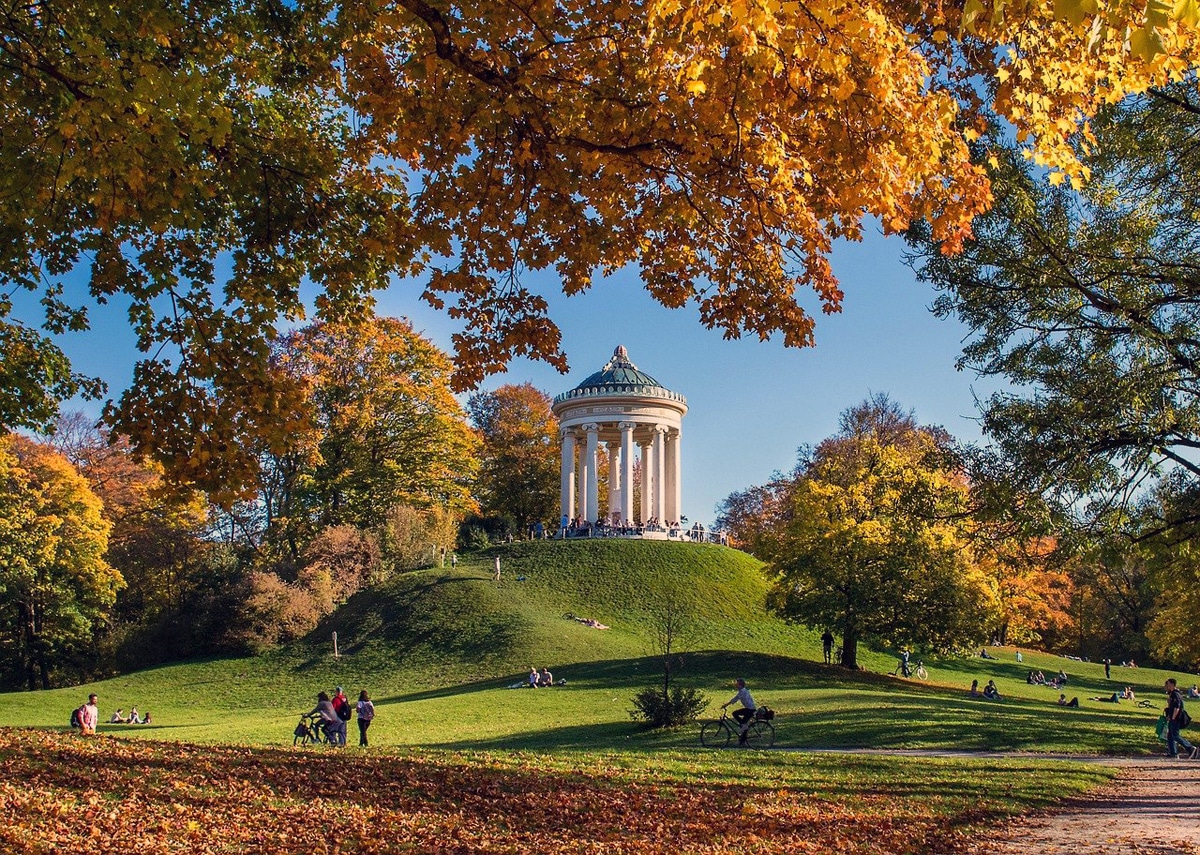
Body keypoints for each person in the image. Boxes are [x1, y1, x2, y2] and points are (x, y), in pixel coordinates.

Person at [1164, 678, 1198, 759]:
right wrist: (1169, 713)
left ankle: (1190, 748)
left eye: (1167, 684)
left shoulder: (1175, 694)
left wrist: (1173, 717)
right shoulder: (1173, 694)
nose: (1166, 686)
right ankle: (1173, 753)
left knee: (1175, 735)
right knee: (1170, 735)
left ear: (1172, 685)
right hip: (1173, 717)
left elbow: (1177, 707)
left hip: (1176, 718)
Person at [721, 678, 757, 745]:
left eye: (737, 684)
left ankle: (743, 739)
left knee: (740, 720)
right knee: (742, 722)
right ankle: (742, 739)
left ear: (740, 685)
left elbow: (735, 699)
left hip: (750, 710)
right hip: (749, 709)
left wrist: (725, 705)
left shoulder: (742, 692)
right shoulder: (743, 691)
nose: (736, 685)